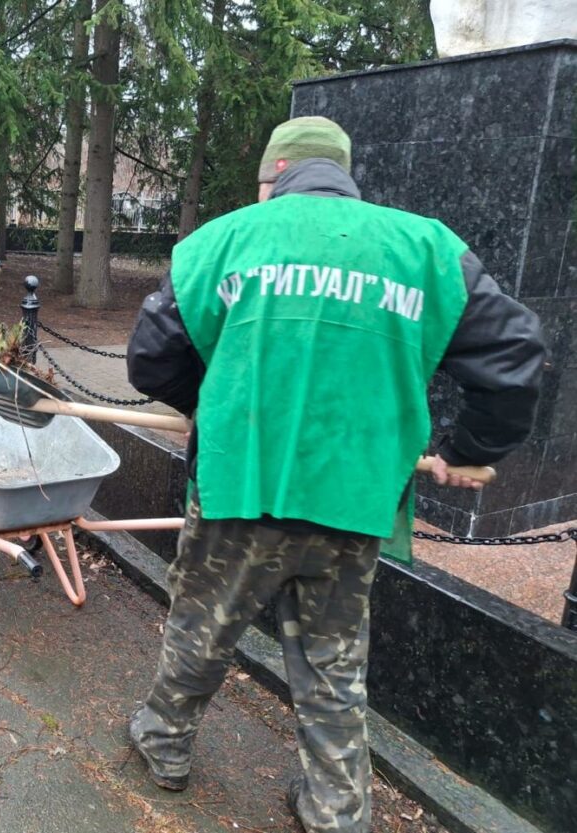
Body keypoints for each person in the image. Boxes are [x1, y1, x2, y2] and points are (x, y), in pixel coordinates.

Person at [124, 116, 545, 833]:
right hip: (355, 501)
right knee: (332, 663)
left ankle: (163, 744)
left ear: (276, 173)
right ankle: (336, 808)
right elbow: (515, 354)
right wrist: (470, 447)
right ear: (342, 175)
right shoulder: (426, 249)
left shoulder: (222, 241)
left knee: (201, 628)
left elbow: (148, 358)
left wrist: (211, 408)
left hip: (240, 490)